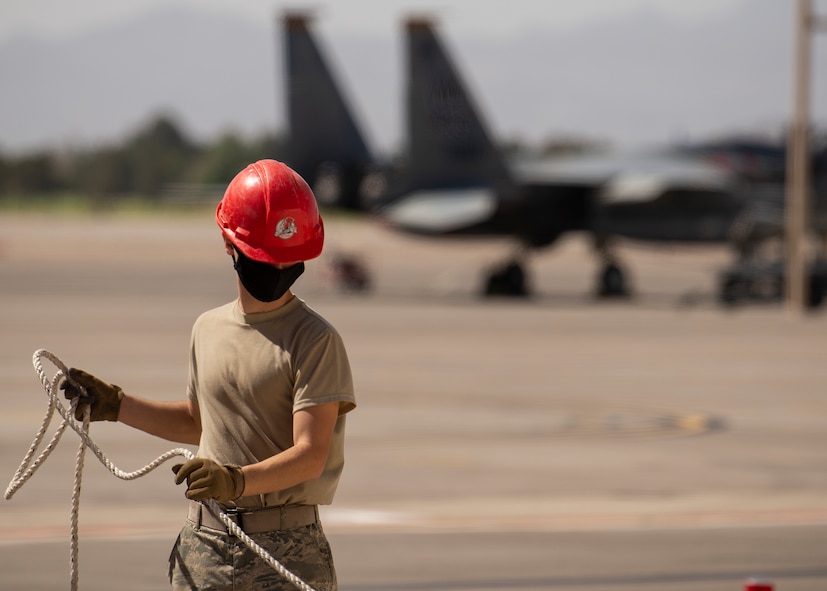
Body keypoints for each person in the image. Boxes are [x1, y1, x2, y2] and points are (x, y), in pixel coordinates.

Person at [61, 159, 357, 591]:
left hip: (287, 550)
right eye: (265, 257)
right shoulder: (208, 328)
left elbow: (310, 454)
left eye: (287, 259)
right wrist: (118, 405)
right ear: (228, 245)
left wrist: (236, 481)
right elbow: (198, 423)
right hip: (206, 546)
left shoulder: (315, 340)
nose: (276, 270)